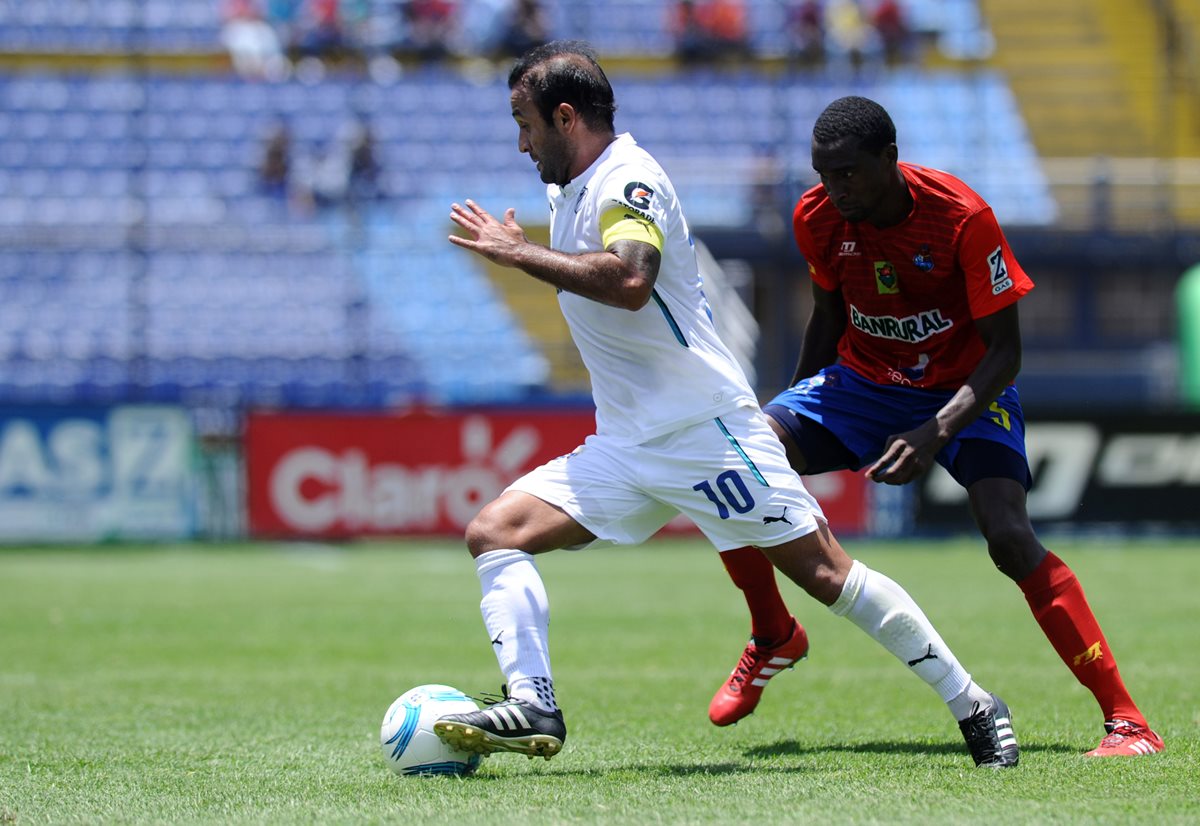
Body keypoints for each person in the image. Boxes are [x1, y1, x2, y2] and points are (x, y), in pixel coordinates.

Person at [432, 41, 1018, 769]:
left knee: (827, 576)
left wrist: (518, 255)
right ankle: (533, 703)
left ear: (564, 115)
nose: (520, 143)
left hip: (704, 431)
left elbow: (630, 279)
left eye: (524, 122)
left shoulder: (627, 180)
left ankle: (975, 704)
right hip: (625, 444)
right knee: (496, 532)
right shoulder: (569, 186)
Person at [707, 95, 1164, 759]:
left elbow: (1006, 351)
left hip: (966, 386)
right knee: (733, 465)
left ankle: (1128, 722)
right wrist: (788, 402)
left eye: (851, 174)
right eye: (824, 175)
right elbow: (828, 319)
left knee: (1008, 537)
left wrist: (936, 432)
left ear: (891, 159)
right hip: (864, 383)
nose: (836, 190)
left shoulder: (962, 218)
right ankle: (773, 633)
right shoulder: (817, 216)